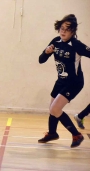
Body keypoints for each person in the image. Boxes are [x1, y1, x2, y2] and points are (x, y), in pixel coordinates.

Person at [38, 14, 90, 148]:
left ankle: (76, 134)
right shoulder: (56, 41)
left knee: (55, 109)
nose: (63, 31)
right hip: (61, 81)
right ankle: (52, 133)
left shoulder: (76, 45)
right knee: (52, 109)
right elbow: (41, 60)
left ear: (73, 31)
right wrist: (47, 52)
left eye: (67, 29)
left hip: (74, 83)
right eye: (61, 28)